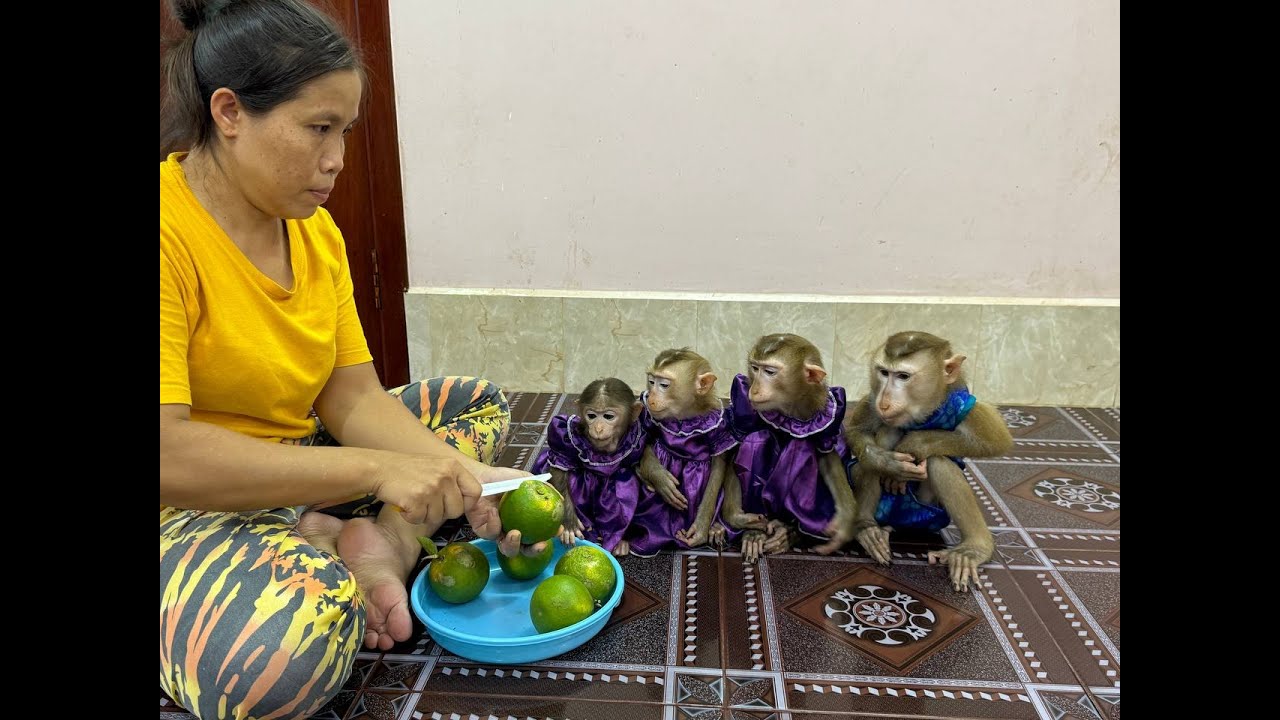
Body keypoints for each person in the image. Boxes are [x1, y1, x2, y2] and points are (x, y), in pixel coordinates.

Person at [159, 2, 547, 717]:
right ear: (229, 112)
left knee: (476, 404)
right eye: (317, 128)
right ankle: (315, 547)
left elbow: (353, 399)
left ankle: (384, 540)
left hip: (294, 464)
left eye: (343, 131)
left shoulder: (316, 234)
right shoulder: (166, 232)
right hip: (185, 504)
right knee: (276, 668)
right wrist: (377, 469)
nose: (336, 158)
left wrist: (474, 481)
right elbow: (167, 455)